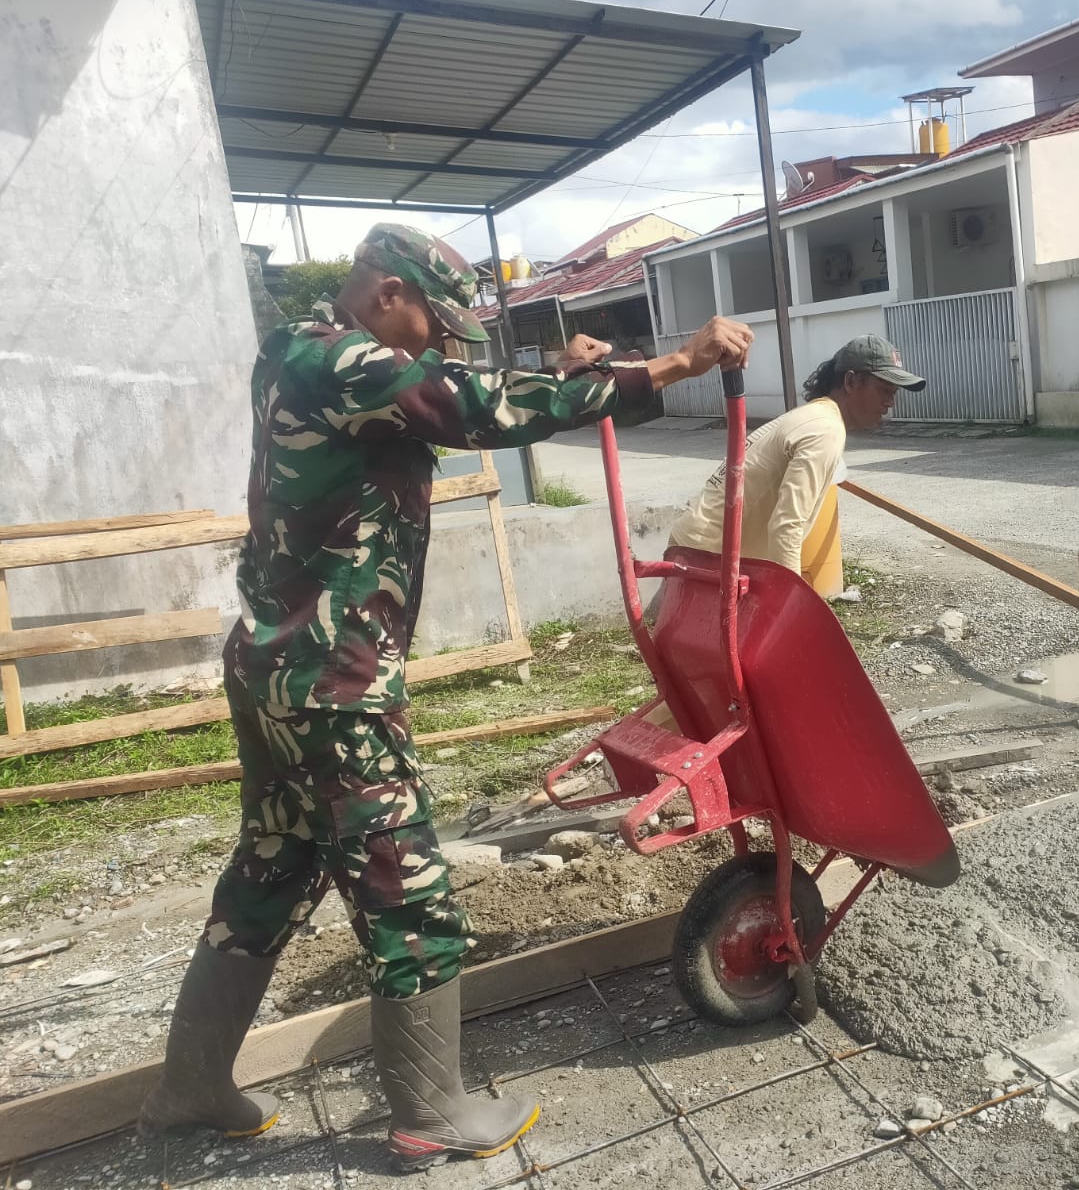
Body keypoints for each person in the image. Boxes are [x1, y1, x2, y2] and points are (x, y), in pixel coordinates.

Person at [137, 223, 752, 1170]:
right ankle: (430, 1110)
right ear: (385, 295)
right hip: (335, 679)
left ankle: (191, 1086)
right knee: (405, 883)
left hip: (274, 670)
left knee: (271, 869)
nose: (437, 342)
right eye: (431, 321)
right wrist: (673, 364)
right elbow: (472, 407)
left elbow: (452, 396)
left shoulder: (305, 351)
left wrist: (561, 366)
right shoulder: (348, 358)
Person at [667, 335, 924, 578]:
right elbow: (787, 526)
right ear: (851, 382)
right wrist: (789, 602)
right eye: (884, 390)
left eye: (894, 393)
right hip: (705, 560)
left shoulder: (812, 417)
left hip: (693, 548)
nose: (890, 402)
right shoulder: (826, 429)